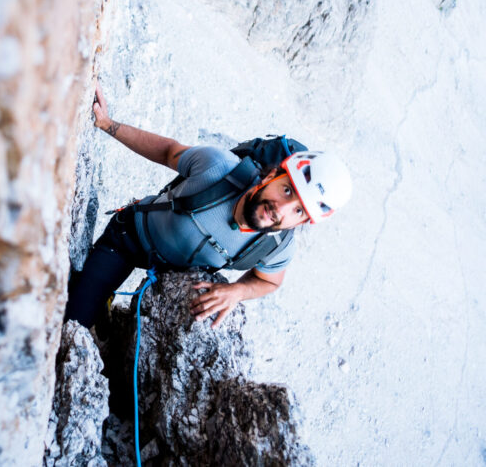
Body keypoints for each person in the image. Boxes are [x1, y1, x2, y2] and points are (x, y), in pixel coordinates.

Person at [65, 82, 352, 330]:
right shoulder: (218, 168)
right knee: (72, 323)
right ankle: (100, 296)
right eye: (287, 190)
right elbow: (168, 152)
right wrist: (107, 124)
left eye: (299, 211)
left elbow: (270, 282)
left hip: (172, 273)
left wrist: (237, 291)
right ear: (272, 175)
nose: (282, 208)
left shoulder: (277, 246)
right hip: (128, 240)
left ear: (302, 223)